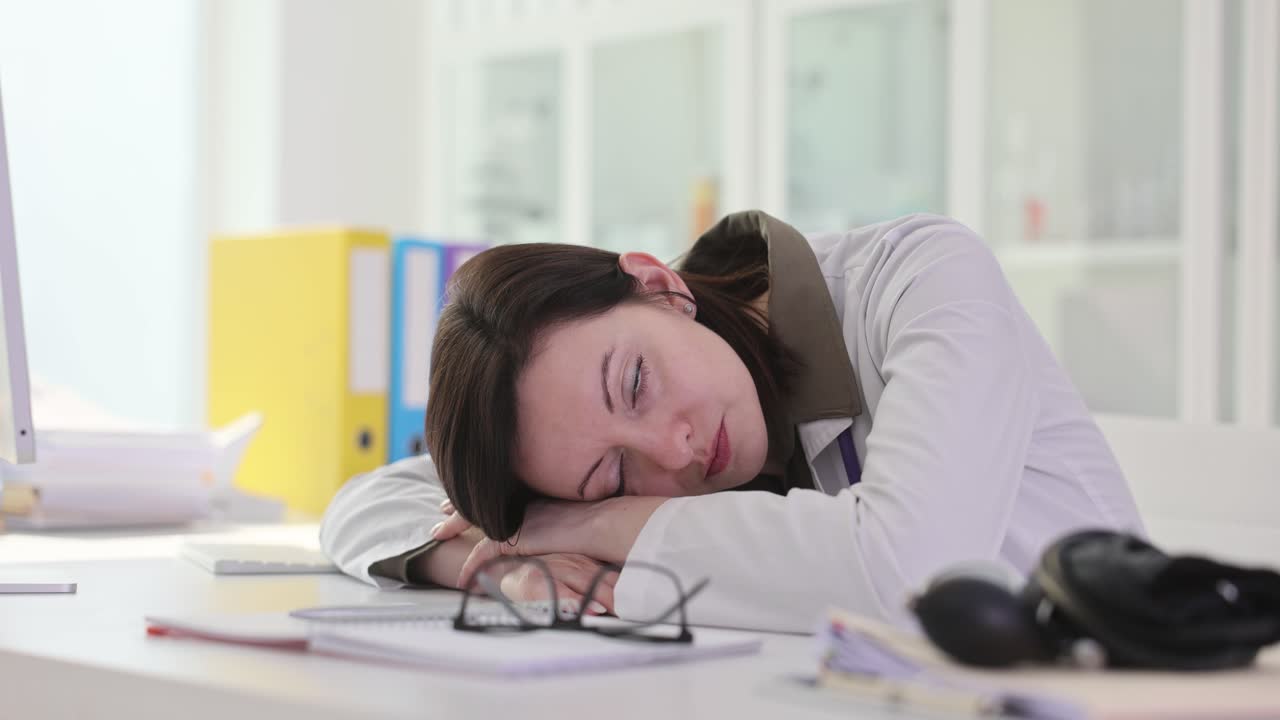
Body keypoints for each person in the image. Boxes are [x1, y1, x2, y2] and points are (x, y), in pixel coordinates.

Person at [320, 211, 1144, 633]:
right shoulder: (574, 417)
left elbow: (909, 571)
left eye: (635, 384)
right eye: (612, 471)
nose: (671, 452)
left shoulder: (920, 275)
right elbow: (363, 503)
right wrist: (487, 564)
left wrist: (585, 516)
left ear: (658, 283)